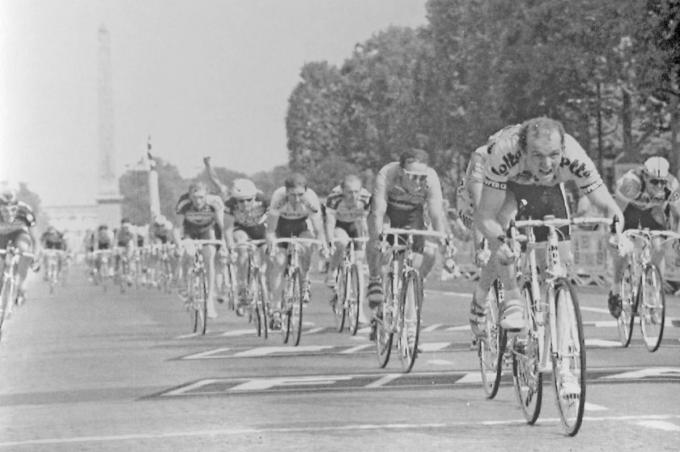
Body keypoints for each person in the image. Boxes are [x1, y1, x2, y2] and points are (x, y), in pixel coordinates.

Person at [474, 117, 624, 395]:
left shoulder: (574, 156)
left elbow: (611, 207)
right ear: (523, 150)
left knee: (560, 264)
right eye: (538, 156)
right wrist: (498, 242)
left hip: (549, 191)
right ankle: (513, 300)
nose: (546, 164)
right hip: (508, 185)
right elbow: (484, 216)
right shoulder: (504, 153)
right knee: (505, 232)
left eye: (554, 155)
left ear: (563, 148)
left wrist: (618, 234)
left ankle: (565, 367)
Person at [366, 149, 450, 341]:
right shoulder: (387, 174)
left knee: (417, 263)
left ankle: (410, 321)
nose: (419, 183)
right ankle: (375, 280)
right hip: (387, 213)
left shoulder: (431, 179)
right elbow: (378, 212)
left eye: (422, 178)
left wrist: (442, 237)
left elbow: (436, 213)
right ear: (402, 173)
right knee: (379, 244)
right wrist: (379, 238)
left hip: (412, 215)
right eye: (414, 177)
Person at [608, 156, 680, 318]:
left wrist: (677, 236)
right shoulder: (631, 183)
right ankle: (616, 289)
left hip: (653, 212)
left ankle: (651, 284)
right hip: (628, 210)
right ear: (645, 176)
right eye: (654, 182)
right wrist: (616, 235)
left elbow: (678, 213)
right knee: (623, 252)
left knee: (659, 246)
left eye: (662, 181)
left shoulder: (672, 185)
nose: (659, 186)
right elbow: (616, 212)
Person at [266, 173, 327, 324]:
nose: (297, 198)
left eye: (300, 194)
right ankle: (275, 308)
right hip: (281, 227)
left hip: (301, 226)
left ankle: (305, 279)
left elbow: (319, 230)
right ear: (286, 191)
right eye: (293, 195)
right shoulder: (278, 198)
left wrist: (323, 247)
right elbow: (271, 230)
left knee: (307, 246)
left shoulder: (311, 199)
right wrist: (272, 246)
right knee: (279, 263)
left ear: (305, 191)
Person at [176, 181, 226, 319]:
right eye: (195, 197)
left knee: (209, 257)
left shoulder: (215, 202)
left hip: (207, 230)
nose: (198, 201)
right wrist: (178, 244)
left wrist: (224, 245)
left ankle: (209, 300)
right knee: (189, 252)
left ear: (207, 196)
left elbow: (222, 226)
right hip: (189, 231)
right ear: (190, 196)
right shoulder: (183, 203)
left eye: (201, 197)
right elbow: (177, 227)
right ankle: (185, 282)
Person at [223, 178, 269, 309]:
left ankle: (270, 286)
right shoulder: (229, 205)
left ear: (255, 197)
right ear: (235, 200)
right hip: (241, 229)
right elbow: (227, 229)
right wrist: (230, 248)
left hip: (260, 229)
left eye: (249, 200)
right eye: (241, 201)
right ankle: (243, 287)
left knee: (270, 254)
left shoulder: (264, 200)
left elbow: (273, 223)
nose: (245, 204)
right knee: (242, 248)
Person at [324, 175, 371, 287]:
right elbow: (330, 222)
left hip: (355, 224)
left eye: (356, 192)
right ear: (343, 190)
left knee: (359, 256)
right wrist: (330, 241)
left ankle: (356, 286)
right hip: (339, 224)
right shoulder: (334, 198)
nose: (353, 196)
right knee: (342, 243)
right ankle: (332, 270)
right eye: (349, 192)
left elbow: (367, 220)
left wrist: (370, 236)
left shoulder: (366, 198)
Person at [0, 181, 38, 304]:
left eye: (13, 210)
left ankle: (21, 282)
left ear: (18, 207)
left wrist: (35, 256)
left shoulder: (25, 211)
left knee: (23, 249)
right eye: (4, 211)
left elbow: (34, 238)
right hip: (1, 235)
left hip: (19, 233)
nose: (9, 214)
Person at [113, 218, 137, 286]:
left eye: (127, 227)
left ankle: (129, 276)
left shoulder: (132, 230)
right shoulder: (119, 231)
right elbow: (116, 240)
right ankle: (116, 271)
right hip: (121, 244)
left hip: (129, 244)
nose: (126, 228)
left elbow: (134, 240)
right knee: (118, 257)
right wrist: (115, 248)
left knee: (129, 259)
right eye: (124, 227)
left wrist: (135, 249)